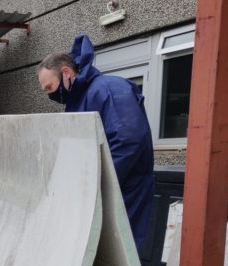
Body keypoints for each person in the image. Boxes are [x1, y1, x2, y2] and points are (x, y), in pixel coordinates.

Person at [38, 34, 155, 251]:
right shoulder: (79, 99)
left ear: (66, 72)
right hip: (101, 191)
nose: (50, 94)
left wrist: (97, 184)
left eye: (49, 87)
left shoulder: (109, 89)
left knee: (120, 254)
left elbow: (128, 141)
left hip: (123, 190)